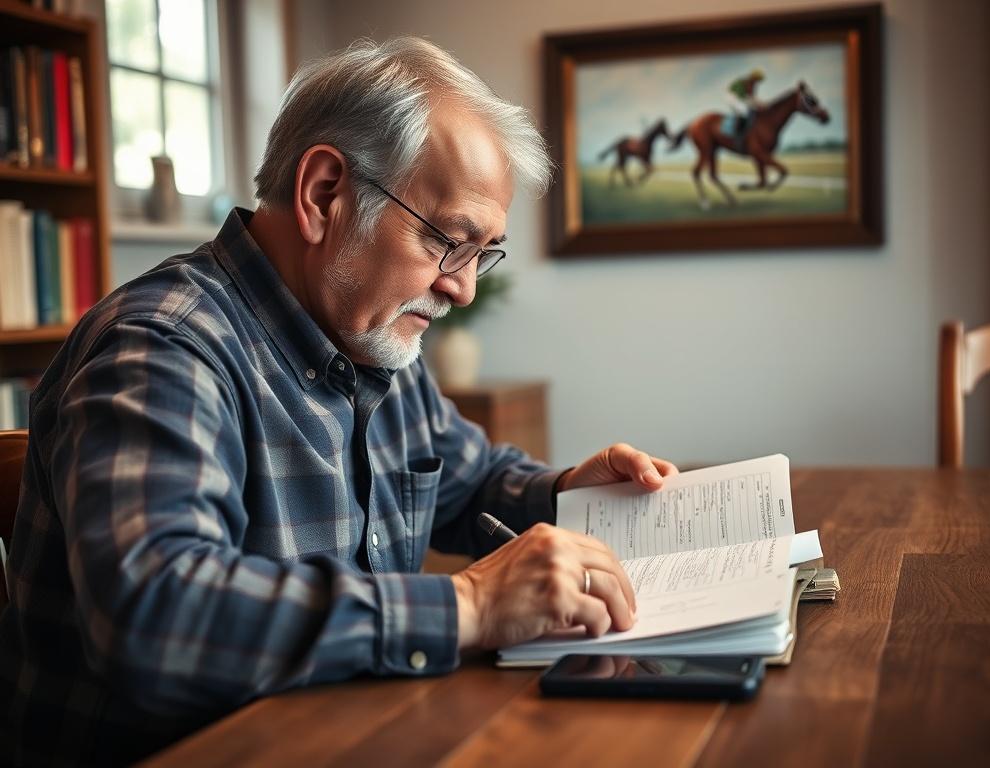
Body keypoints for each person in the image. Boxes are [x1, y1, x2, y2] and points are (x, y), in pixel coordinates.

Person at [0, 37, 679, 766]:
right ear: (325, 194)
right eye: (448, 241)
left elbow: (470, 480)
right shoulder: (161, 347)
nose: (463, 287)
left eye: (483, 254)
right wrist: (470, 606)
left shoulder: (372, 333)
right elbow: (156, 612)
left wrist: (568, 495)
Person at [725, 68, 765, 138]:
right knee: (744, 111)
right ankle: (737, 130)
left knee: (751, 108)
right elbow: (749, 97)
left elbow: (752, 97)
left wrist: (760, 104)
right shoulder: (746, 82)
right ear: (754, 78)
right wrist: (759, 104)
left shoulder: (752, 84)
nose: (758, 82)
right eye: (758, 79)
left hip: (740, 97)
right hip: (732, 96)